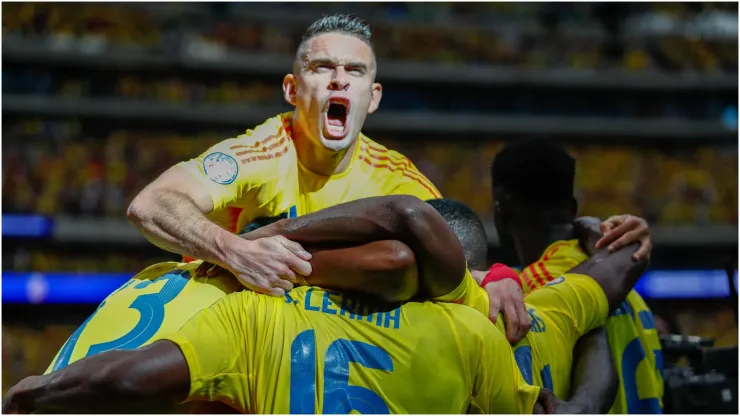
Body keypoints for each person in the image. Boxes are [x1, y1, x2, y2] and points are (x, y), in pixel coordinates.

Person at [4, 196, 649, 414]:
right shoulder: (490, 335)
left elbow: (125, 378)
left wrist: (31, 393)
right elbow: (602, 296)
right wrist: (592, 226)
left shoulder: (251, 314)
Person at [126, 13, 441, 299]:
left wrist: (489, 281)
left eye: (355, 71)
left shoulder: (396, 178)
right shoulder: (263, 152)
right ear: (292, 90)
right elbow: (151, 203)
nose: (340, 79)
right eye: (322, 67)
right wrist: (235, 252)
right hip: (223, 312)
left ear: (373, 98)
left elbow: (458, 259)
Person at [487, 139, 664, 413]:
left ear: (501, 210)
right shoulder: (624, 283)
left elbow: (596, 354)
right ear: (572, 209)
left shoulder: (542, 283)